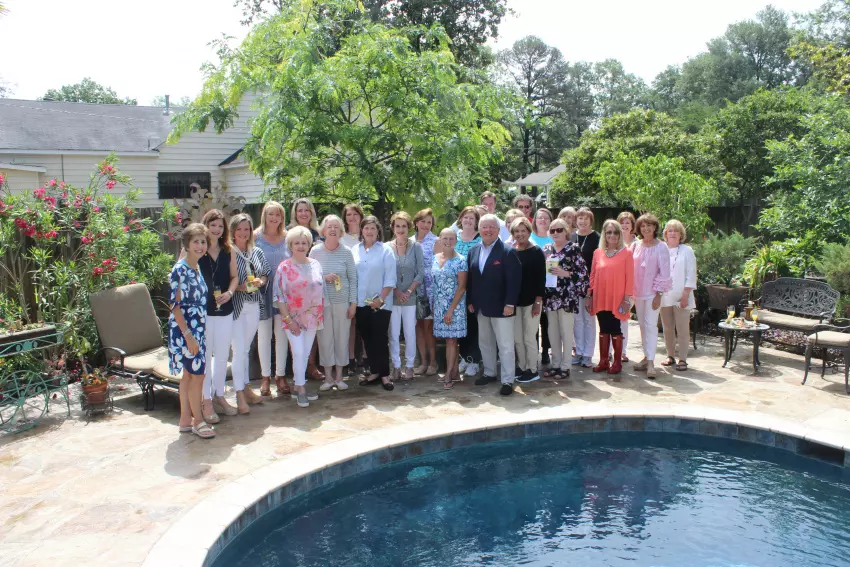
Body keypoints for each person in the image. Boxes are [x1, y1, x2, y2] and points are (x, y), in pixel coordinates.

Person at [467, 214, 521, 395]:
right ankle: (490, 373)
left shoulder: (508, 252)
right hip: (481, 307)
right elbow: (472, 279)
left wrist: (510, 304)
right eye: (484, 227)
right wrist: (471, 301)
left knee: (505, 345)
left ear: (498, 230)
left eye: (491, 227)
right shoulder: (473, 250)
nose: (488, 230)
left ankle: (507, 380)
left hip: (502, 307)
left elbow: (514, 282)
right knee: (485, 342)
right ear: (479, 229)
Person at [170, 223, 213, 438]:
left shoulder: (196, 267)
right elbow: (175, 306)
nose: (200, 246)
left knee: (189, 375)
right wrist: (188, 336)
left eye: (203, 242)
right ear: (186, 244)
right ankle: (198, 420)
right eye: (195, 241)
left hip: (197, 329)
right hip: (186, 330)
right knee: (198, 375)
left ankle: (185, 419)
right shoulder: (180, 269)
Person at [273, 226, 325, 408]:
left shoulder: (316, 264)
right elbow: (278, 296)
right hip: (292, 319)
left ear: (309, 244)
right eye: (297, 243)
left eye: (304, 243)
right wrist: (288, 320)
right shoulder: (284, 267)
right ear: (290, 245)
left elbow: (321, 290)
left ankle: (298, 385)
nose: (301, 246)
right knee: (298, 352)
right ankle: (301, 389)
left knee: (305, 354)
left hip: (312, 318)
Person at [197, 210, 238, 424]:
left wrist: (230, 292)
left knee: (222, 356)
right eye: (213, 225)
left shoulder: (228, 250)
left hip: (225, 309)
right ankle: (206, 401)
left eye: (220, 226)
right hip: (203, 312)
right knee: (205, 357)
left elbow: (235, 277)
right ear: (205, 225)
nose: (216, 229)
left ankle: (219, 395)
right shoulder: (196, 249)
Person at [310, 215, 357, 390]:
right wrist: (324, 278)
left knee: (342, 338)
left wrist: (353, 303)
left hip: (342, 302)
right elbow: (310, 277)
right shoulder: (315, 251)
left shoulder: (346, 252)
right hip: (322, 303)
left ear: (341, 231)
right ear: (323, 230)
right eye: (329, 226)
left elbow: (353, 279)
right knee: (324, 339)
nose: (332, 230)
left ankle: (339, 377)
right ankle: (328, 378)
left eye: (336, 227)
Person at [229, 213, 270, 413]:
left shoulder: (257, 252)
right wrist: (240, 287)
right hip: (235, 306)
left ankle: (245, 388)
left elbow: (265, 273)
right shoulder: (228, 252)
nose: (243, 233)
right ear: (233, 231)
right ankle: (239, 393)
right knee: (238, 350)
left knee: (245, 349)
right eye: (239, 229)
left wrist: (260, 281)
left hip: (253, 304)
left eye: (247, 229)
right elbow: (224, 281)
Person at [352, 215, 396, 391]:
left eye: (373, 228)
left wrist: (381, 299)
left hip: (381, 303)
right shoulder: (355, 250)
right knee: (367, 338)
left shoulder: (386, 250)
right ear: (361, 230)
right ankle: (374, 372)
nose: (369, 231)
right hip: (361, 302)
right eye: (366, 228)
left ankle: (385, 375)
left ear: (378, 231)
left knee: (380, 338)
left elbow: (391, 278)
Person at [542, 218, 589, 379]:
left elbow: (583, 274)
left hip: (566, 297)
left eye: (559, 230)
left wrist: (566, 273)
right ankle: (555, 364)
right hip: (550, 297)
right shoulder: (546, 249)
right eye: (552, 230)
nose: (555, 233)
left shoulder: (573, 249)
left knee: (566, 332)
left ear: (566, 231)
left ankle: (565, 366)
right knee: (552, 332)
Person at [587, 219, 634, 378]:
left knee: (615, 328)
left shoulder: (627, 253)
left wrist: (626, 299)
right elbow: (592, 276)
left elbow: (630, 278)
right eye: (608, 232)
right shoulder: (597, 253)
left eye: (615, 232)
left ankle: (617, 363)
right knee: (603, 327)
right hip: (600, 296)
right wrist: (589, 295)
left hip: (618, 298)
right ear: (604, 234)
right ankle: (604, 361)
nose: (612, 235)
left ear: (620, 234)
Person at [254, 201, 291, 398]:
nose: (274, 218)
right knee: (264, 335)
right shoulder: (255, 237)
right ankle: (265, 377)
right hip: (263, 293)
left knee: (282, 335)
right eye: (271, 214)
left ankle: (280, 376)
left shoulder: (288, 237)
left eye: (278, 214)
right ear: (264, 216)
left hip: (284, 294)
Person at [632, 213, 672, 378]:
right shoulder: (635, 245)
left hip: (652, 294)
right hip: (637, 293)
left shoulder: (661, 247)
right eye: (642, 226)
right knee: (642, 326)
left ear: (655, 227)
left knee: (651, 326)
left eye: (649, 225)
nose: (646, 228)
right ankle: (646, 356)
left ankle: (650, 363)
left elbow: (665, 272)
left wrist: (659, 295)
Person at [387, 211, 424, 381]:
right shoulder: (387, 247)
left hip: (410, 297)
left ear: (409, 227)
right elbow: (386, 273)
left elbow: (421, 272)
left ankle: (409, 366)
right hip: (392, 296)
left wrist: (408, 291)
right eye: (397, 226)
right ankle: (396, 367)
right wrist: (396, 291)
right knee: (393, 334)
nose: (400, 229)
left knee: (410, 333)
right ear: (393, 227)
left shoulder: (416, 246)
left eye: (403, 226)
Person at [510, 217, 545, 383]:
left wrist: (538, 302)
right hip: (516, 302)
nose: (520, 234)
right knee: (517, 338)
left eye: (523, 231)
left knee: (529, 337)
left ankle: (532, 369)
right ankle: (522, 366)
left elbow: (541, 279)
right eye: (516, 231)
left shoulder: (536, 252)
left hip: (532, 302)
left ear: (529, 232)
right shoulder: (512, 252)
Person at [431, 228, 468, 389]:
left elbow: (462, 287)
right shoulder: (435, 258)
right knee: (448, 340)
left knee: (452, 340)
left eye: (451, 238)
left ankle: (448, 375)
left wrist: (451, 310)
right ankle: (454, 372)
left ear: (456, 241)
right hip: (439, 306)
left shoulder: (461, 260)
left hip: (455, 307)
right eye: (445, 238)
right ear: (439, 240)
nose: (448, 241)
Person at [660, 219, 696, 372]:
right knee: (667, 328)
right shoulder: (661, 249)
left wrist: (685, 294)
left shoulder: (687, 250)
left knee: (682, 329)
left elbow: (691, 273)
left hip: (682, 296)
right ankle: (670, 355)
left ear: (681, 234)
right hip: (664, 296)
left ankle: (682, 359)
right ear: (665, 234)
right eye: (670, 230)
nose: (673, 233)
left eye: (676, 231)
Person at [454, 206, 482, 377]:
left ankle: (474, 360)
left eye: (472, 218)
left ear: (477, 222)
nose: (468, 221)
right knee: (460, 325)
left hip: (472, 288)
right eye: (466, 217)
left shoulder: (480, 239)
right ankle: (464, 357)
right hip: (455, 289)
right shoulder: (454, 237)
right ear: (461, 219)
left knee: (473, 325)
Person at [413, 208, 440, 376]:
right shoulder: (409, 241)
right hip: (413, 290)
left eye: (429, 222)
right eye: (423, 221)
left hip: (429, 290)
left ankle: (433, 362)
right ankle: (422, 362)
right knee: (418, 327)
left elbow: (439, 267)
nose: (426, 225)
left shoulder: (436, 241)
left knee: (429, 327)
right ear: (416, 222)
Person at [572, 207, 600, 368]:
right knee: (577, 320)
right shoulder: (571, 236)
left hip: (591, 284)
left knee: (589, 319)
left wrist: (592, 287)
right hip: (573, 285)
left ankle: (588, 354)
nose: (583, 221)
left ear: (591, 221)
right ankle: (579, 351)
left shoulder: (596, 238)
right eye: (580, 218)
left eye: (586, 218)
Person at [341, 203, 365, 374]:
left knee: (364, 323)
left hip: (365, 285)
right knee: (350, 323)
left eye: (355, 214)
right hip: (347, 286)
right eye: (349, 215)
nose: (352, 217)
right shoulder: (341, 237)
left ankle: (365, 357)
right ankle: (350, 359)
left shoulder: (367, 235)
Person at [530, 207, 554, 366]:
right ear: (535, 220)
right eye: (540, 217)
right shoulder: (529, 238)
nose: (543, 220)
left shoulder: (554, 238)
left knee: (547, 321)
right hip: (532, 284)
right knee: (533, 319)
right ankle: (534, 351)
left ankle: (546, 351)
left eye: (546, 218)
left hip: (550, 285)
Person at [613, 211, 638, 363]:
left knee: (623, 320)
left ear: (632, 225)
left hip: (630, 289)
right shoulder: (613, 242)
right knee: (611, 319)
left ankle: (622, 351)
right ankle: (610, 351)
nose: (624, 225)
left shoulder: (638, 244)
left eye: (627, 222)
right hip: (614, 287)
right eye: (621, 222)